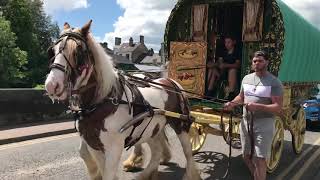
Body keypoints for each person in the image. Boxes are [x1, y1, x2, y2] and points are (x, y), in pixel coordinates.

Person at [224, 51, 283, 180]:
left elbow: (278, 107)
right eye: (254, 61)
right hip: (246, 121)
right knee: (246, 156)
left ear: (267, 62)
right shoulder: (246, 78)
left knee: (259, 159)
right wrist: (232, 104)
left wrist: (259, 107)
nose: (257, 63)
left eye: (260, 61)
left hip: (264, 122)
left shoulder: (274, 82)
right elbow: (241, 96)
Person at [206, 34, 241, 99]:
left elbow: (237, 65)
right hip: (222, 73)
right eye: (225, 42)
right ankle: (209, 91)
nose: (226, 44)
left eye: (229, 42)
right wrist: (213, 64)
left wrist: (226, 65)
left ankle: (231, 93)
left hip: (231, 74)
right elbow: (220, 63)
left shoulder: (237, 52)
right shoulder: (223, 52)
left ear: (234, 42)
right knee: (212, 70)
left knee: (232, 70)